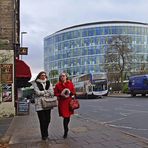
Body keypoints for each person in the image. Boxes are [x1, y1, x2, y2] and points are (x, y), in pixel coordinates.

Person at [32, 71, 54, 140]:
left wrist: (44, 93)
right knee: (42, 120)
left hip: (47, 103)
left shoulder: (48, 82)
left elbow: (52, 92)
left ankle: (46, 131)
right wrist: (46, 92)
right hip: (39, 104)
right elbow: (37, 92)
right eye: (42, 75)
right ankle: (44, 135)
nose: (43, 76)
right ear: (39, 76)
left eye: (44, 75)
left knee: (48, 120)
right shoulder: (36, 83)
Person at [54, 72, 76, 139]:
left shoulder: (70, 83)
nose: (62, 77)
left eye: (64, 76)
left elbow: (73, 92)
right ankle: (66, 130)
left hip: (69, 102)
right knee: (65, 116)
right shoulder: (57, 85)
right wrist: (61, 94)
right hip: (62, 102)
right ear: (60, 78)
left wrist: (70, 92)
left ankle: (66, 128)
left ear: (66, 77)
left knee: (68, 117)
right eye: (61, 76)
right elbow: (55, 93)